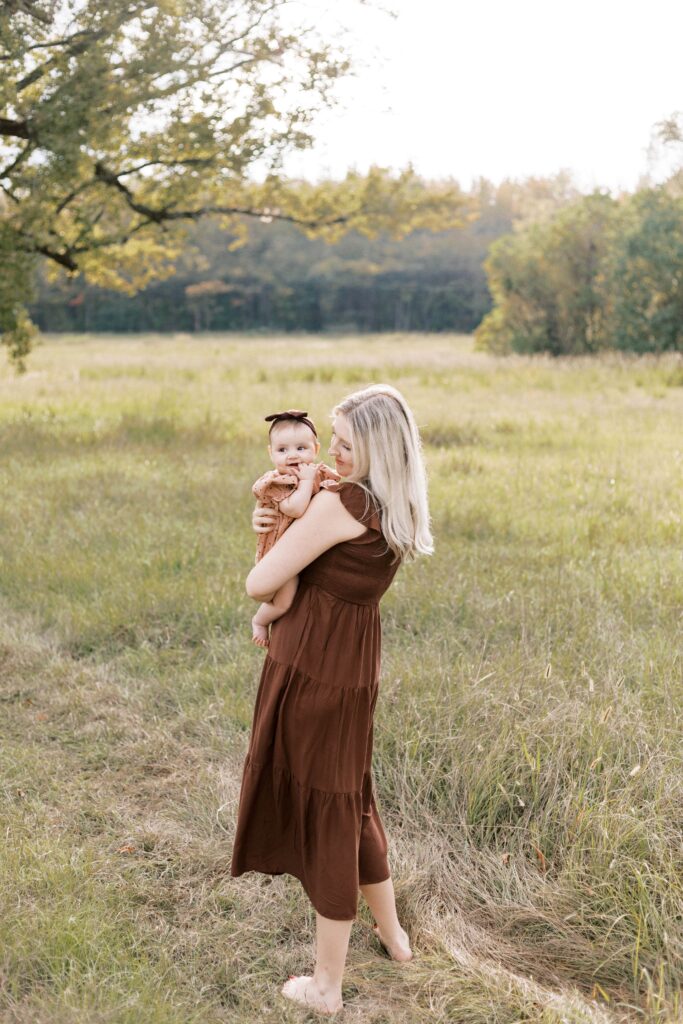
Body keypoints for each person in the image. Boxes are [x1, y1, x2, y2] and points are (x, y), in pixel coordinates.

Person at [231, 383, 434, 1015]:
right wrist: (279, 520)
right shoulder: (392, 503)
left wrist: (265, 546)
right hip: (351, 666)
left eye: (346, 444)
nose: (332, 455)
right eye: (334, 442)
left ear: (376, 448)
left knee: (329, 810)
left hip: (313, 667)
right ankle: (394, 938)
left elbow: (260, 581)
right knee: (352, 797)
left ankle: (326, 985)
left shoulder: (342, 502)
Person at [250, 409, 340, 648]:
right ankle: (260, 620)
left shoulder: (317, 472)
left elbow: (342, 484)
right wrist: (308, 482)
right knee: (284, 601)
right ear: (271, 453)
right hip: (280, 552)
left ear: (316, 450)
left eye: (301, 448)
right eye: (282, 450)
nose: (292, 456)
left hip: (306, 549)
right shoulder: (276, 483)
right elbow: (296, 509)